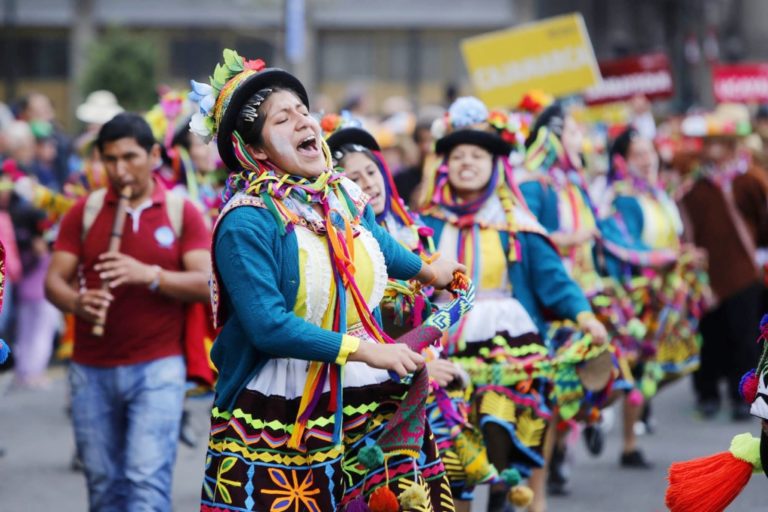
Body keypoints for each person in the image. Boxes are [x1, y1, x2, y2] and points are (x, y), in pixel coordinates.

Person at [191, 49, 463, 511]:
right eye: (283, 119)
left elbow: (378, 245)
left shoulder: (341, 194)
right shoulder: (247, 222)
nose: (302, 122)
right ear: (255, 150)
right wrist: (367, 349)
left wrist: (430, 271)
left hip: (365, 384)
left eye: (303, 110)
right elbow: (268, 325)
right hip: (282, 400)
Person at [418, 96, 607, 512]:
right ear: (445, 165)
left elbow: (553, 280)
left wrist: (585, 316)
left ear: (494, 166)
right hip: (443, 342)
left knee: (505, 416)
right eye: (458, 155)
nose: (467, 162)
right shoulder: (424, 224)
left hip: (510, 341)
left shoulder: (515, 225)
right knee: (451, 438)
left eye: (477, 155)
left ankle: (508, 490)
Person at [44, 113, 212, 511]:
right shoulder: (83, 212)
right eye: (110, 160)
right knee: (103, 486)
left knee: (145, 484)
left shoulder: (181, 211)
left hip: (158, 368)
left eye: (130, 158)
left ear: (154, 155)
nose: (120, 171)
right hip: (90, 368)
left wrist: (150, 275)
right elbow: (54, 281)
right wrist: (76, 303)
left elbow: (207, 284)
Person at [678, 104, 768, 421]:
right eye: (709, 141)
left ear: (731, 145)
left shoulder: (750, 179)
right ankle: (707, 394)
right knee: (709, 336)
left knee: (745, 338)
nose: (713, 148)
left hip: (744, 272)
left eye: (720, 141)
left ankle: (741, 394)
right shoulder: (693, 186)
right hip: (705, 276)